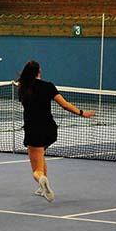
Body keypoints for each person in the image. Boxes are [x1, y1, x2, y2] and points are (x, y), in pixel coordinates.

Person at [17, 60, 95, 202]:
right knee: (41, 153)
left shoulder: (23, 88)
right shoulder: (49, 86)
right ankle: (42, 188)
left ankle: (41, 179)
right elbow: (65, 105)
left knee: (36, 170)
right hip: (50, 130)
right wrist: (82, 113)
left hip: (33, 131)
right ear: (39, 71)